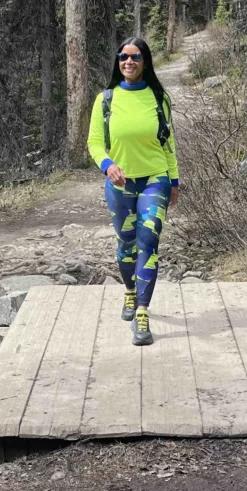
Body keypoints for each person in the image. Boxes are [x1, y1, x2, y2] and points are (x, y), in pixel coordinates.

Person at [87, 37, 180, 346]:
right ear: (118, 61)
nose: (129, 62)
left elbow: (168, 143)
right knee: (126, 244)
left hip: (155, 179)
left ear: (145, 61)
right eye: (123, 56)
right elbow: (94, 142)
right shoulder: (106, 99)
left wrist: (174, 181)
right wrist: (107, 164)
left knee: (149, 242)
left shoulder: (158, 98)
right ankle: (129, 292)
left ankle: (142, 313)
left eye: (135, 57)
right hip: (120, 184)